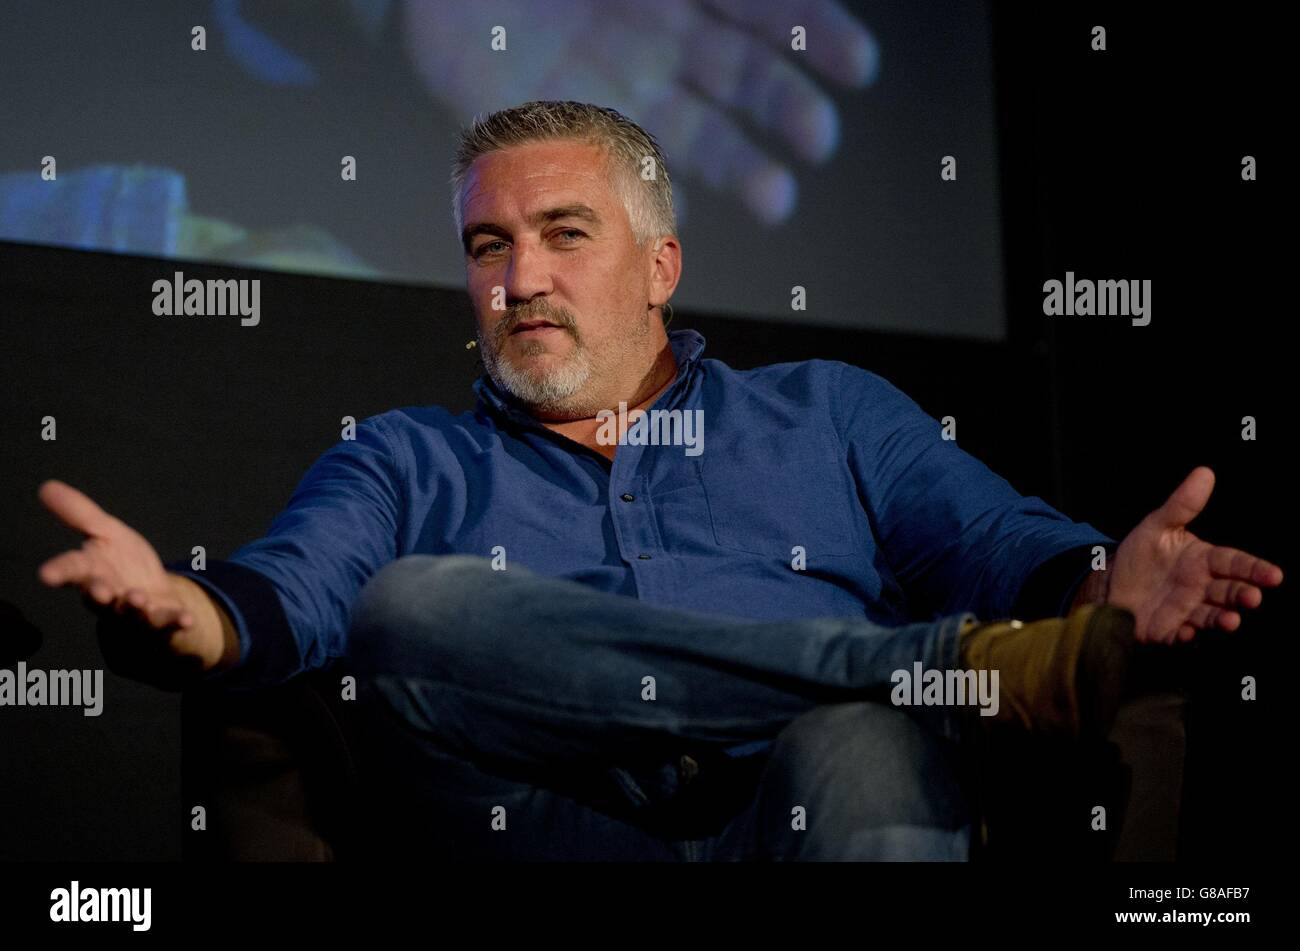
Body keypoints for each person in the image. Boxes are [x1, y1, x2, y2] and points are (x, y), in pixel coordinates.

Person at [37, 101, 1282, 861]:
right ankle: (945, 664)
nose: (517, 277)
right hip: (541, 832)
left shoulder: (826, 412)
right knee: (411, 605)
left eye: (563, 234)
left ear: (658, 265)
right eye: (488, 246)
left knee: (856, 738)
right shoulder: (406, 454)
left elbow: (1009, 543)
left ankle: (900, 684)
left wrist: (1104, 580)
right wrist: (192, 616)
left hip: (808, 814)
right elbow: (297, 591)